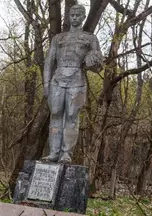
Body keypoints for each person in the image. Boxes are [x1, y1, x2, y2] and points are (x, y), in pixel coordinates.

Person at [41, 4, 103, 164]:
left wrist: (93, 62)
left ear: (83, 17)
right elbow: (49, 61)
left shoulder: (90, 38)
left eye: (78, 15)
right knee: (55, 114)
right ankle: (54, 152)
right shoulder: (58, 38)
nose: (74, 17)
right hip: (57, 80)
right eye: (72, 15)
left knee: (72, 116)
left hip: (77, 81)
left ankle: (66, 153)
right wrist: (46, 84)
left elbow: (97, 65)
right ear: (69, 17)